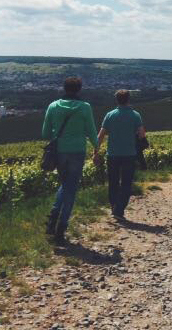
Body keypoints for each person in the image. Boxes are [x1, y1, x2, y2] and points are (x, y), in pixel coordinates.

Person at [42, 76, 99, 245]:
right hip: (77, 151)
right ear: (79, 89)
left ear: (64, 88)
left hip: (59, 152)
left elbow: (45, 133)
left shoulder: (53, 106)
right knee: (71, 189)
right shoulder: (85, 107)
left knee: (65, 183)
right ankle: (61, 228)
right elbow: (91, 131)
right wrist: (97, 149)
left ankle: (53, 217)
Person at [98, 89, 145, 221]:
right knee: (126, 183)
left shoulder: (110, 115)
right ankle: (120, 209)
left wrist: (96, 152)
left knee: (113, 182)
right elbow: (142, 134)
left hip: (112, 154)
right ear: (128, 99)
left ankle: (113, 207)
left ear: (117, 100)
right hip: (129, 154)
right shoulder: (136, 115)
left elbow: (100, 136)